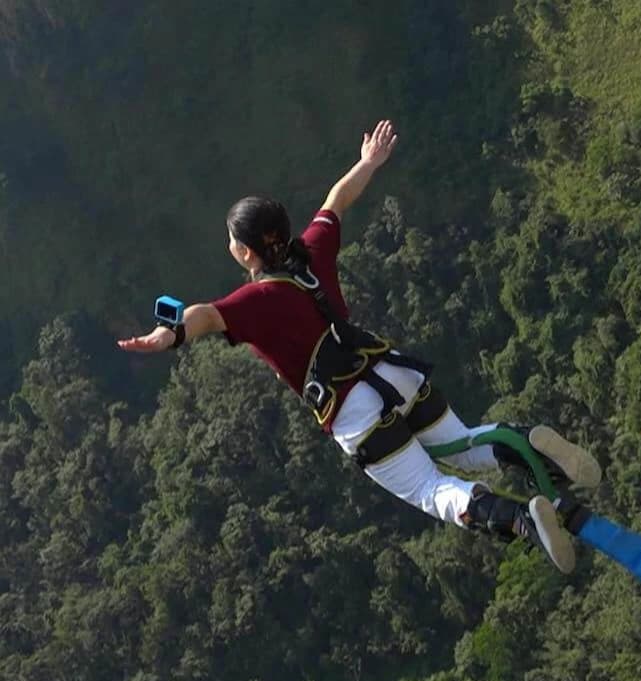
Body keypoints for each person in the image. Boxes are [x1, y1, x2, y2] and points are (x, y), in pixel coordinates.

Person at [118, 120, 599, 574]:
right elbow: (336, 201)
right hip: (393, 371)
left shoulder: (255, 299)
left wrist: (167, 336)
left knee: (432, 490)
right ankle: (528, 445)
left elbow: (203, 314)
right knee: (465, 444)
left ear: (245, 251)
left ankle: (522, 520)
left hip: (353, 409)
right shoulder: (311, 251)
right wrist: (369, 161)